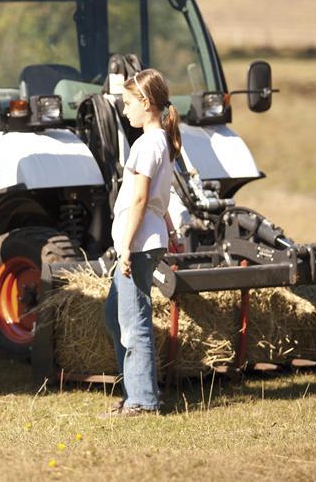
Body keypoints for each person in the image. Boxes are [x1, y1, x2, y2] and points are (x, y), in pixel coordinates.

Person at [102, 68, 181, 416]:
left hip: (138, 243)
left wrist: (126, 249)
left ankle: (143, 400)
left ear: (146, 103)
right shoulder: (160, 140)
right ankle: (134, 389)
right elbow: (160, 198)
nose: (124, 111)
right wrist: (168, 225)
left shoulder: (147, 144)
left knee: (134, 324)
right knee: (114, 314)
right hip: (147, 237)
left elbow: (140, 200)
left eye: (128, 103)